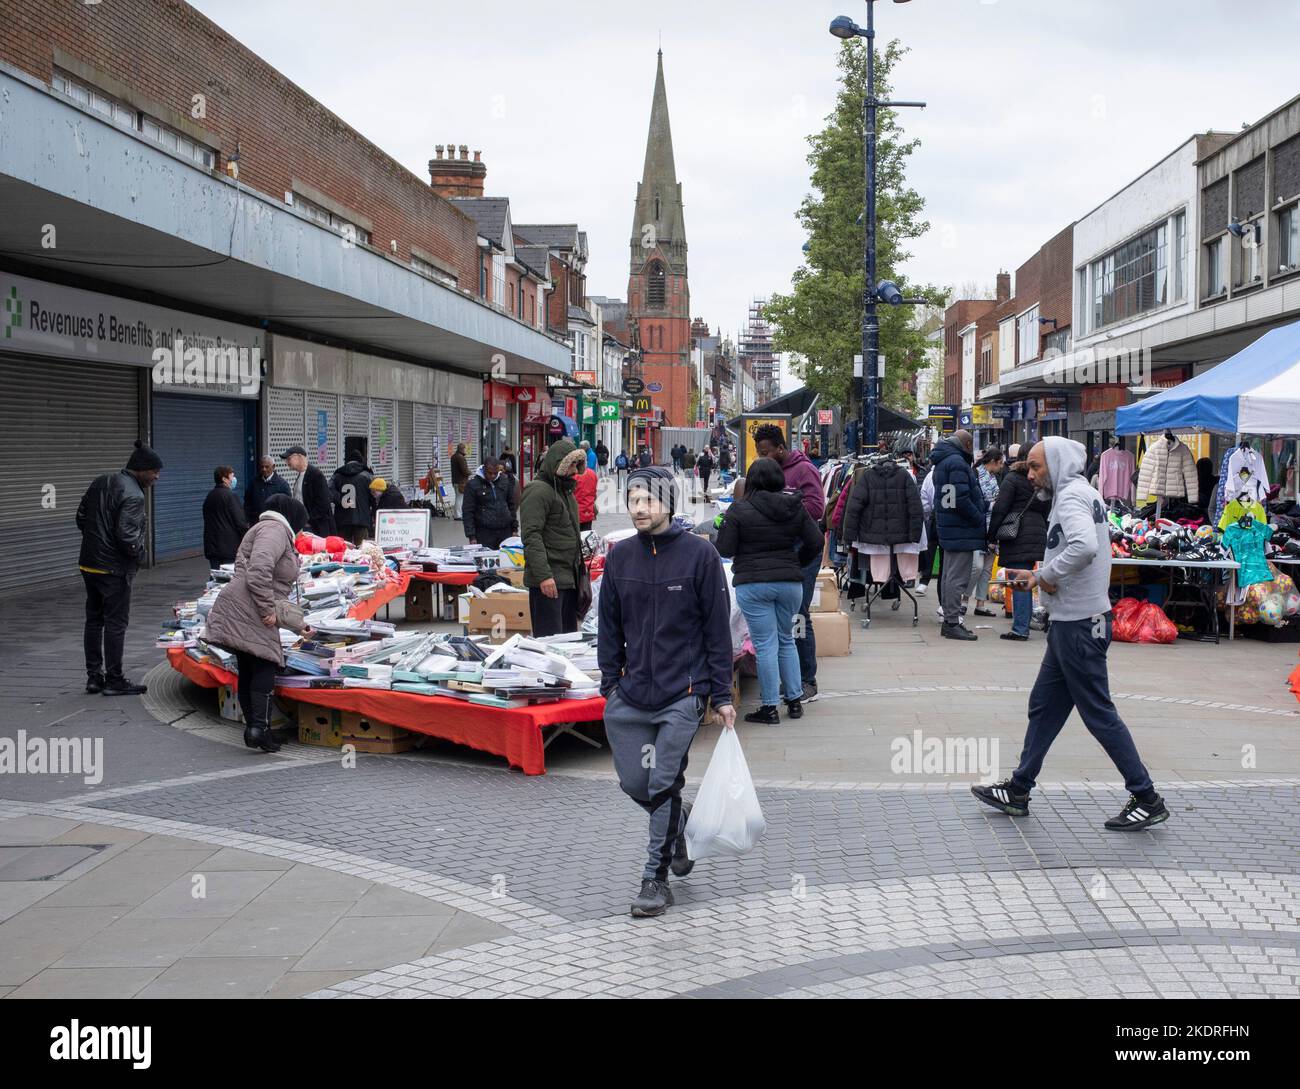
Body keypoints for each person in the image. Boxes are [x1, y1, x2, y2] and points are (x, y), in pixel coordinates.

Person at [972, 438, 1170, 831]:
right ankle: (1019, 788)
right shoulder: (1083, 492)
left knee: (1098, 713)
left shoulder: (1070, 498)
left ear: (1058, 463)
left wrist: (1045, 576)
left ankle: (1146, 796)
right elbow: (1083, 548)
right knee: (1044, 705)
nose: (1030, 476)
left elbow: (1084, 546)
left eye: (1035, 467)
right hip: (1074, 623)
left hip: (1080, 625)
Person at [598, 465, 736, 918]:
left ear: (669, 505)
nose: (639, 509)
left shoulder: (700, 556)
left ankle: (655, 880)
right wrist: (610, 684)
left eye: (648, 500)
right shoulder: (619, 558)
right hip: (631, 696)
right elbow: (609, 627)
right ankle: (682, 818)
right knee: (635, 782)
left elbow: (718, 631)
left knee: (662, 781)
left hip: (684, 693)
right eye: (633, 500)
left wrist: (720, 695)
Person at [716, 457, 822, 724]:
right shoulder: (794, 506)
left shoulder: (739, 510)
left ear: (750, 480)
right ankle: (795, 701)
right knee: (786, 639)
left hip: (753, 584)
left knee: (765, 645)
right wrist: (797, 563)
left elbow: (725, 549)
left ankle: (770, 707)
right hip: (789, 583)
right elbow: (817, 541)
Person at [204, 495, 311, 753]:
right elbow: (259, 570)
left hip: (244, 603)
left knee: (249, 664)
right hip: (251, 605)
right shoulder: (274, 530)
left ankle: (256, 728)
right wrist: (267, 610)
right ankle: (259, 730)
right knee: (266, 661)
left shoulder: (265, 529)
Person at [76, 441, 161, 696]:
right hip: (114, 569)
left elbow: (80, 517)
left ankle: (94, 677)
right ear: (141, 469)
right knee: (116, 623)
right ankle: (114, 679)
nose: (157, 477)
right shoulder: (133, 494)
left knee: (94, 620)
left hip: (89, 564)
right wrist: (139, 555)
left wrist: (95, 542)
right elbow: (127, 537)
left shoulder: (100, 481)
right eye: (155, 472)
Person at [753, 423, 826, 701]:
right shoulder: (768, 472)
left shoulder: (804, 469)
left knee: (799, 613)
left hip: (804, 548)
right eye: (759, 453)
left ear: (781, 448)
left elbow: (817, 509)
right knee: (785, 616)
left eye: (766, 452)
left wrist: (781, 509)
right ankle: (792, 678)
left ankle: (808, 680)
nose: (763, 457)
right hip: (782, 549)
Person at [519, 439, 586, 636]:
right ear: (558, 463)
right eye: (571, 464)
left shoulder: (565, 491)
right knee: (549, 642)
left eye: (577, 465)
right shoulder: (538, 490)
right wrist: (544, 577)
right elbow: (532, 536)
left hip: (567, 579)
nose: (575, 471)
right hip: (549, 580)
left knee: (567, 640)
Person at [930, 429, 986, 641]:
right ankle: (952, 622)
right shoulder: (957, 464)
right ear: (967, 444)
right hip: (961, 529)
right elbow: (960, 499)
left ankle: (949, 620)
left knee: (948, 576)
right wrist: (979, 518)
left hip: (950, 526)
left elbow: (951, 498)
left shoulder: (943, 462)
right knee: (957, 578)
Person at [987, 456, 1050, 641]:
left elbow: (1001, 507)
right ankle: (1024, 622)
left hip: (1017, 533)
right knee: (1027, 576)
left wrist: (992, 534)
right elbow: (1047, 506)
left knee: (1019, 580)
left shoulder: (1012, 478)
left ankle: (1020, 628)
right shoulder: (1041, 479)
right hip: (1036, 531)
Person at [966, 446, 1005, 619]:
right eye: (1000, 463)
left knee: (987, 568)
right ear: (992, 462)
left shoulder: (993, 476)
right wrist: (991, 505)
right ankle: (964, 599)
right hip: (979, 525)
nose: (1002, 466)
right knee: (977, 566)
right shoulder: (975, 475)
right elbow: (975, 500)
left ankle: (980, 603)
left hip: (992, 525)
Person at [462, 456, 518, 550]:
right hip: (484, 533)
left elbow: (511, 505)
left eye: (495, 473)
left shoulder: (504, 481)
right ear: (484, 469)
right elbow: (468, 511)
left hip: (505, 531)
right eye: (489, 473)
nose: (492, 476)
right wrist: (471, 536)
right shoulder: (473, 485)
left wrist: (514, 528)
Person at [202, 465, 249, 568]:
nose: (234, 479)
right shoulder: (231, 496)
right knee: (227, 577)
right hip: (228, 547)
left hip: (212, 547)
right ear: (224, 479)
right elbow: (240, 522)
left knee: (215, 577)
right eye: (232, 476)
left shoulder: (210, 496)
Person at [282, 446, 334, 537]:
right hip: (304, 525)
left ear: (300, 457)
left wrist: (307, 519)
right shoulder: (301, 475)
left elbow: (324, 503)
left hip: (314, 528)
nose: (287, 462)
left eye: (289, 459)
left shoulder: (315, 475)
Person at [330, 453, 375, 547]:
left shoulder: (337, 475)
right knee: (362, 549)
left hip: (342, 519)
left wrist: (341, 500)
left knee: (344, 549)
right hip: (362, 519)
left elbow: (329, 492)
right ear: (361, 462)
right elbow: (374, 496)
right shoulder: (367, 476)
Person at [244, 455, 290, 523]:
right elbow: (247, 503)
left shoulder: (282, 484)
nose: (264, 469)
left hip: (274, 523)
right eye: (262, 467)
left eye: (267, 467)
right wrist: (247, 520)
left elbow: (287, 506)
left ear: (273, 467)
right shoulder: (253, 482)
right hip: (256, 522)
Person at [574, 460, 598, 531]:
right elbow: (594, 493)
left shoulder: (573, 476)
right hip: (588, 512)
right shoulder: (592, 474)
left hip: (575, 513)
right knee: (586, 535)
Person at [450, 443, 470, 520]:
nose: (465, 450)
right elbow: (464, 470)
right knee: (460, 498)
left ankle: (457, 514)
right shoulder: (460, 458)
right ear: (462, 449)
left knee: (458, 497)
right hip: (461, 481)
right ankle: (458, 515)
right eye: (465, 449)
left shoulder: (453, 456)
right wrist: (470, 472)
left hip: (455, 480)